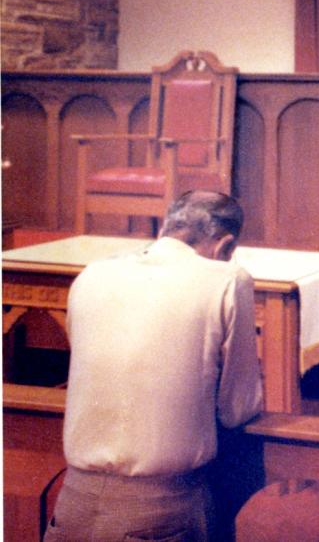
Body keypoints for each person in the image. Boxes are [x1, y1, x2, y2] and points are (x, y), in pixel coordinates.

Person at [46, 190, 263, 542]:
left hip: (73, 501)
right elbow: (237, 408)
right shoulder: (227, 280)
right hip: (162, 508)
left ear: (166, 227)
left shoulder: (92, 274)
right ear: (225, 246)